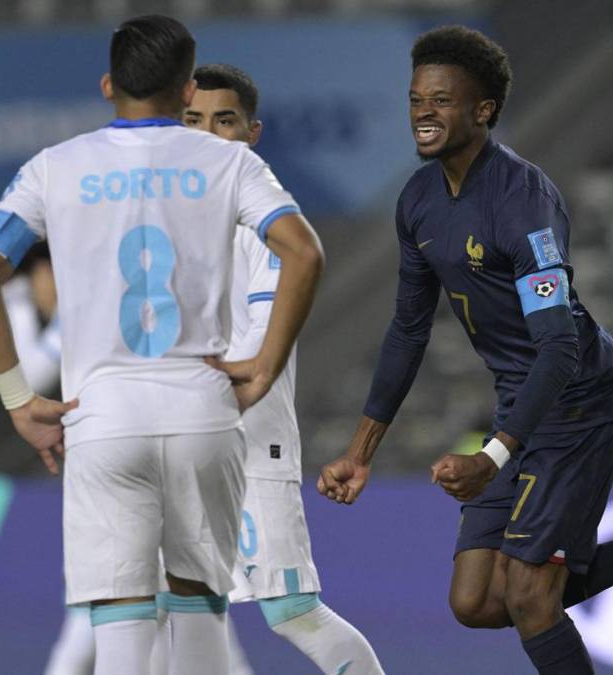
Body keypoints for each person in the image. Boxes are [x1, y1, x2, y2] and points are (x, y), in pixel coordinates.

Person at [316, 25, 613, 674]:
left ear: (483, 110)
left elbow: (557, 347)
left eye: (441, 101)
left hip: (579, 401)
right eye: (416, 99)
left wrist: (492, 456)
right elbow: (408, 329)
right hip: (521, 400)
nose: (422, 114)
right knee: (476, 602)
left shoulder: (523, 201)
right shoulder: (417, 200)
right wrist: (360, 453)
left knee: (529, 597)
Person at [0, 15, 324, 675]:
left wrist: (19, 401)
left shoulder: (54, 167)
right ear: (186, 92)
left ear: (108, 85)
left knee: (122, 626)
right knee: (200, 611)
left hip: (102, 419)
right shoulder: (230, 161)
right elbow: (303, 251)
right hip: (202, 414)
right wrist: (264, 366)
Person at [188, 63, 384, 675]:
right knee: (167, 611)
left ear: (252, 133)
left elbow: (266, 327)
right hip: (173, 440)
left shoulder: (268, 217)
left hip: (247, 440)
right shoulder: (164, 217)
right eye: (193, 120)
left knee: (292, 610)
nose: (207, 134)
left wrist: (204, 389)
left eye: (224, 121)